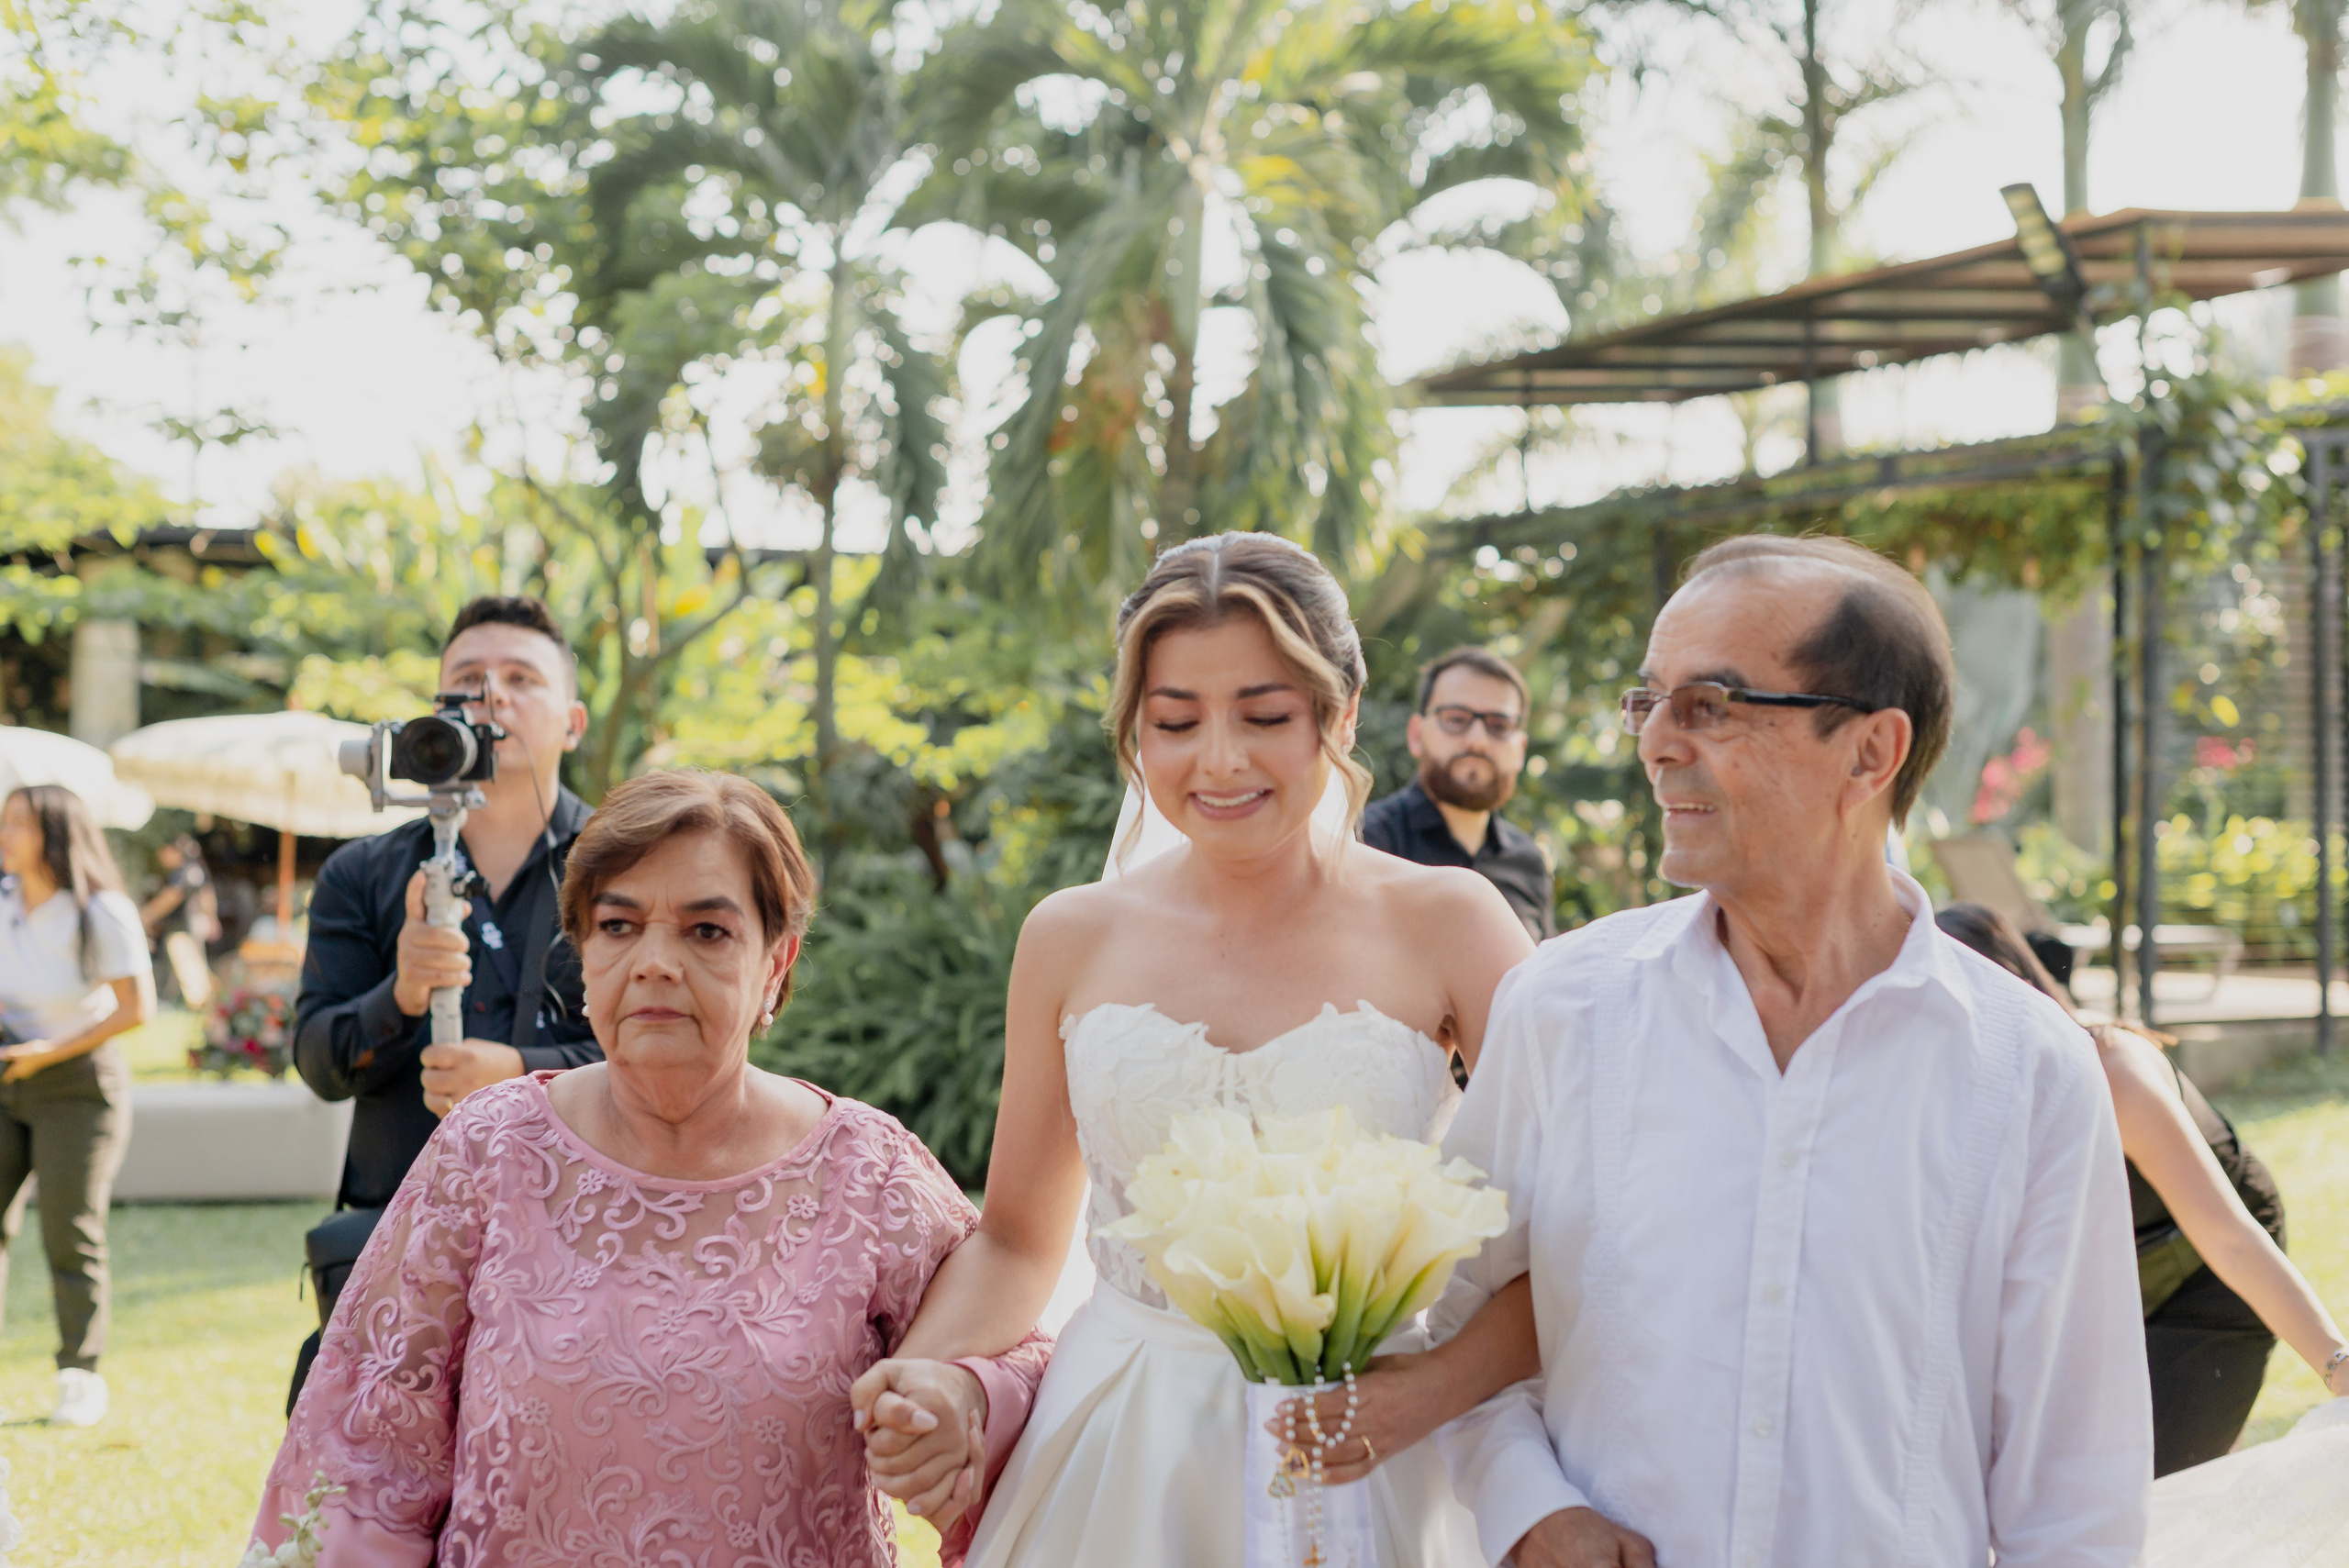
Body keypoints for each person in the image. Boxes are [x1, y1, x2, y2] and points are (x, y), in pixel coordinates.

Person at [1422, 534, 2149, 1567]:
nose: (1656, 742)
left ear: (1871, 751)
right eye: (1649, 701)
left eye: (1709, 704)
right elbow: (1447, 1317)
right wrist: (1530, 1507)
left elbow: (2076, 1489)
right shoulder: (1563, 1007)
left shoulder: (2027, 1071)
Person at [852, 532, 1536, 1565]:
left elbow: (1573, 1234)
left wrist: (1421, 1395)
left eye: (1265, 716)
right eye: (1175, 721)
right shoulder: (1069, 935)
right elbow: (1019, 1242)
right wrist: (925, 1372)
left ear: (1343, 711)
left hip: (1375, 1445)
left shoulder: (1453, 921)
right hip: (1125, 1445)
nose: (1219, 759)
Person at [247, 770, 1051, 1567]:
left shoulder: (865, 1172)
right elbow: (364, 1451)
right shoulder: (488, 1149)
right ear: (583, 953)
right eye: (619, 925)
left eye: (707, 931)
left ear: (775, 962)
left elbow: (1025, 1354)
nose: (655, 961)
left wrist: (966, 1398)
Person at [286, 595, 604, 1405]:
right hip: (397, 1248)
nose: (491, 697)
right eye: (466, 680)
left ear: (572, 722)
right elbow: (319, 1061)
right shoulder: (362, 873)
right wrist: (402, 993)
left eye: (521, 678)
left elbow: (670, 1056)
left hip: (585, 1240)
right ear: (432, 715)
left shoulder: (625, 867)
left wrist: (523, 1075)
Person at [1937, 902, 2349, 1473]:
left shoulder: (2110, 1071)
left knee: (2147, 1479)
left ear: (2012, 989)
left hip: (2203, 1274)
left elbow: (2228, 1236)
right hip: (2107, 1275)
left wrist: (2337, 1365)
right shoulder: (1949, 1092)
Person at [0, 784, 155, 1427]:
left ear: (57, 835)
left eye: (21, 823)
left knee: (69, 1231)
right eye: (4, 820)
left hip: (77, 1086)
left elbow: (136, 1008)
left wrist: (48, 1051)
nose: (5, 834)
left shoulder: (100, 911)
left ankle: (79, 1374)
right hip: (8, 1073)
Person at [1361, 647, 1554, 941]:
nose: (1477, 741)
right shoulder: (1364, 842)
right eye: (1456, 719)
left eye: (1499, 726)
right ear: (1416, 735)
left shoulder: (1529, 862)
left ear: (1520, 750)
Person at [140, 834, 217, 1008]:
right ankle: (203, 1002)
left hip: (182, 927)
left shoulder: (183, 872)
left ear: (175, 851)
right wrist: (211, 918)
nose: (161, 857)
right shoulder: (196, 870)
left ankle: (199, 1003)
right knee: (194, 965)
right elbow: (207, 894)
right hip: (192, 924)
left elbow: (171, 897)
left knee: (188, 967)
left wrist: (146, 915)